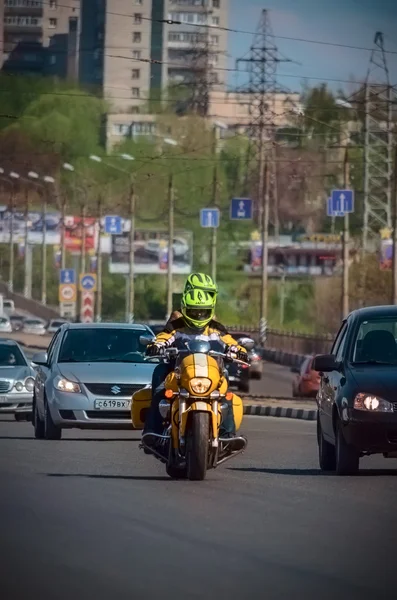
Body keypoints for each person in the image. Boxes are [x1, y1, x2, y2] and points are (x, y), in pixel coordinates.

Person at [143, 281, 248, 450]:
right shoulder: (177, 325)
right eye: (194, 311)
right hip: (179, 371)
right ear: (185, 308)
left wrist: (239, 350)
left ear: (210, 310)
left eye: (203, 311)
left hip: (208, 371)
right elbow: (164, 336)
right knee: (160, 385)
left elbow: (229, 341)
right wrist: (156, 345)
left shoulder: (215, 328)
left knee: (224, 392)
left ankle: (227, 436)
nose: (199, 314)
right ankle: (152, 432)